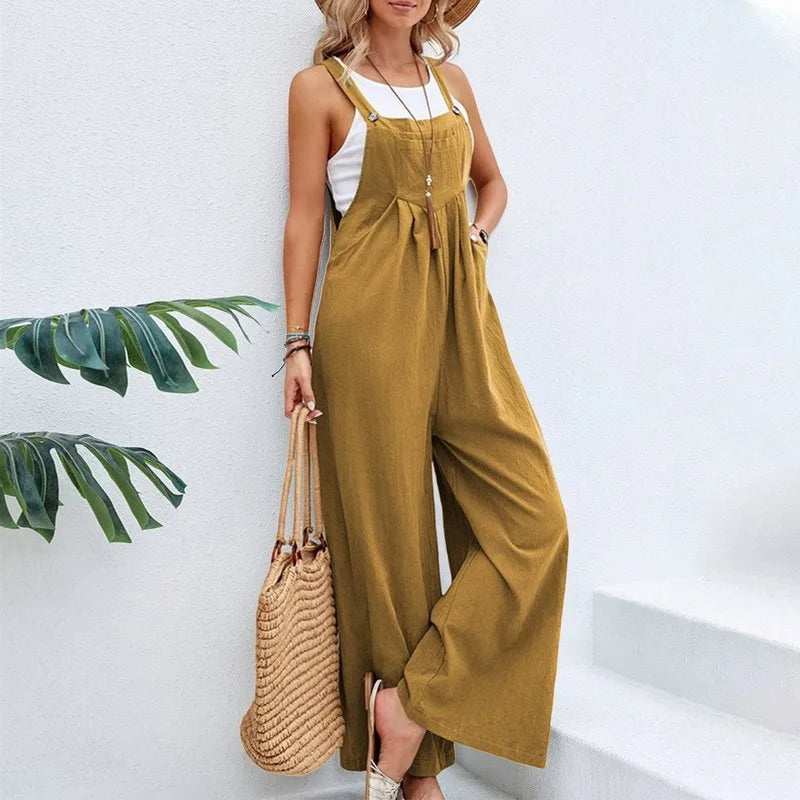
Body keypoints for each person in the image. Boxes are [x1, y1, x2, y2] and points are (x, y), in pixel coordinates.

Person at [275, 2, 569, 798]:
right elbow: (306, 218)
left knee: (534, 520)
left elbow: (493, 183)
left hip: (463, 318)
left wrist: (476, 240)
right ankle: (418, 779)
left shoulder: (454, 82)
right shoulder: (320, 90)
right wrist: (297, 343)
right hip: (368, 323)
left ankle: (405, 704)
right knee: (391, 542)